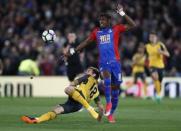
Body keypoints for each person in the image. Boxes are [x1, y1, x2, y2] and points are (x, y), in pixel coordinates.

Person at [64, 4, 136, 123]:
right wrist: (72, 51)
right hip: (103, 62)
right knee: (106, 76)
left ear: (108, 21)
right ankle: (108, 103)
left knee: (116, 89)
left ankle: (111, 114)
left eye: (103, 19)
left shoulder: (116, 29)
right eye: (100, 19)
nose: (101, 21)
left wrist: (122, 13)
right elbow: (86, 42)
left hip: (116, 62)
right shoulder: (96, 32)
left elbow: (133, 25)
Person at [21, 67, 104, 124]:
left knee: (68, 89)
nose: (87, 72)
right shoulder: (97, 92)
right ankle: (37, 120)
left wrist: (73, 84)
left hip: (79, 97)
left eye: (89, 71)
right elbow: (100, 106)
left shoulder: (88, 77)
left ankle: (89, 108)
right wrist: (100, 115)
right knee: (56, 109)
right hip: (78, 105)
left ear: (93, 75)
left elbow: (73, 83)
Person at [145, 32, 170, 102]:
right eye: (150, 37)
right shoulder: (147, 46)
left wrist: (161, 52)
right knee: (155, 77)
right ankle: (157, 94)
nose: (152, 38)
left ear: (156, 38)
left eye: (153, 37)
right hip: (152, 66)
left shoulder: (160, 45)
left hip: (160, 66)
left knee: (159, 81)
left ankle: (157, 94)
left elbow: (168, 54)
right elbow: (145, 56)